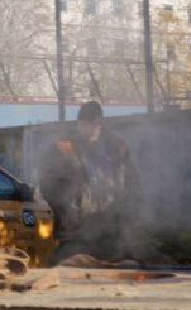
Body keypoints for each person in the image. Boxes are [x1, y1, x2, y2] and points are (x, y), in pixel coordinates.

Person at [45, 101, 136, 259]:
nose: (89, 129)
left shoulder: (118, 148)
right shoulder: (63, 148)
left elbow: (132, 182)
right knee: (71, 270)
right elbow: (48, 185)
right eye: (84, 124)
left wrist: (127, 213)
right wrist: (65, 213)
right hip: (75, 229)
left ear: (100, 124)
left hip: (110, 227)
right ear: (79, 123)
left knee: (110, 272)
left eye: (93, 124)